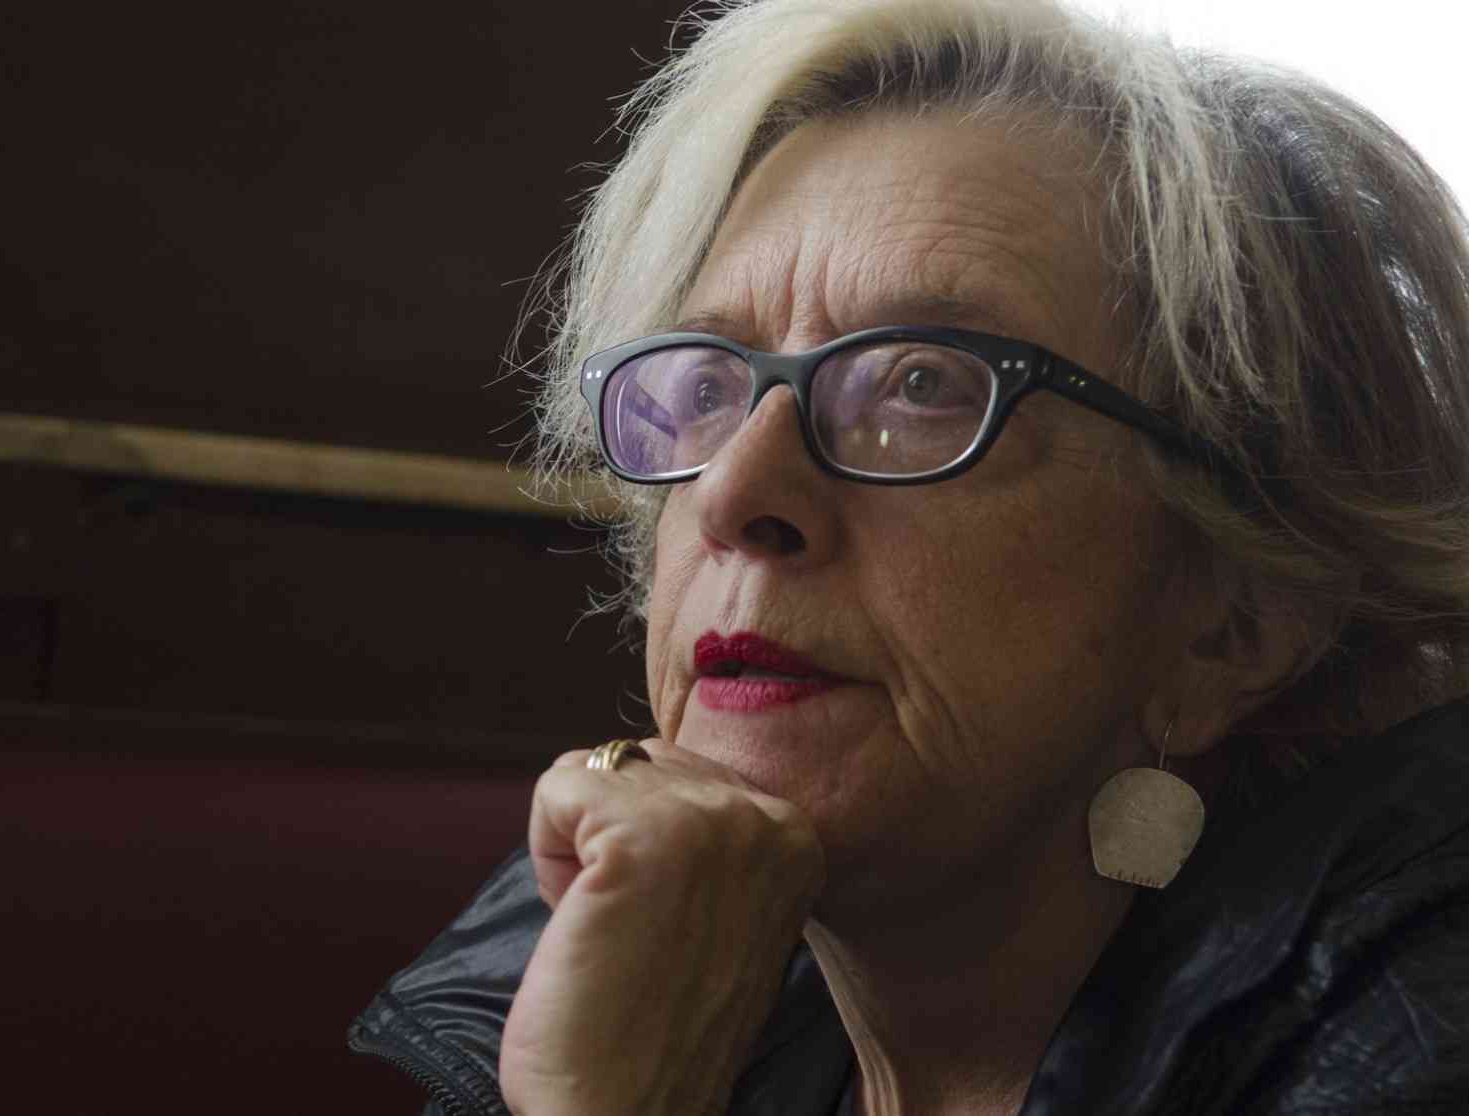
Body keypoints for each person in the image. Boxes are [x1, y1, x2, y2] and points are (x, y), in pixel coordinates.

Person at [349, 0, 1469, 1112]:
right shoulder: (605, 945)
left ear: (1235, 618)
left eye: (921, 385)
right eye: (708, 386)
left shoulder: (1419, 1028)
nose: (734, 494)